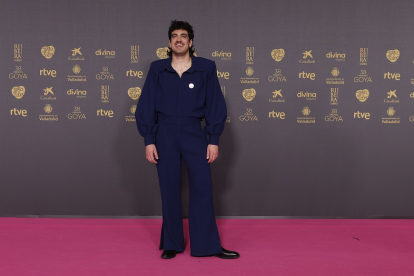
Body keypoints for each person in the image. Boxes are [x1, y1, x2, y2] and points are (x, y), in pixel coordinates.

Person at [135, 20, 240, 260]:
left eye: (184, 36)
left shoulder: (206, 67)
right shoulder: (157, 69)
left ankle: (207, 246)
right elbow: (146, 104)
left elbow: (215, 104)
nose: (179, 39)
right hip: (165, 133)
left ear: (191, 42)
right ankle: (172, 243)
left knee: (202, 188)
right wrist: (149, 139)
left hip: (195, 133)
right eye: (175, 36)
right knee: (169, 188)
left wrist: (213, 139)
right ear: (170, 42)